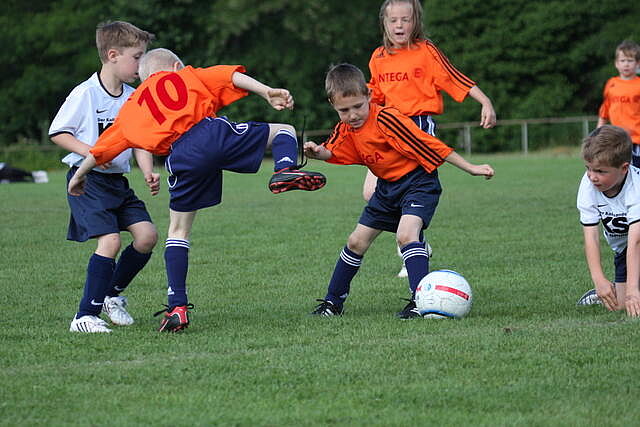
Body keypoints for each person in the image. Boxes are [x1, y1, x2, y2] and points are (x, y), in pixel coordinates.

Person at [67, 48, 326, 332]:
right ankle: (284, 169)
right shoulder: (185, 75)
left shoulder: (133, 106)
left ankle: (177, 306)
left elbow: (102, 148)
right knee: (284, 131)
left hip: (181, 158)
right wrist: (266, 92)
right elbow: (230, 76)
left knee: (178, 232)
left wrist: (78, 175)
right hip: (210, 133)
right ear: (176, 66)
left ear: (144, 79)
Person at [304, 63, 494, 318]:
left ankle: (419, 301)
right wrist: (316, 152)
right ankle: (332, 303)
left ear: (369, 95)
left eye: (358, 106)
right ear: (333, 105)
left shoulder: (387, 119)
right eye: (344, 110)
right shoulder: (346, 128)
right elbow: (333, 150)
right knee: (356, 241)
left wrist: (471, 168)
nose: (353, 115)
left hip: (418, 183)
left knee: (406, 235)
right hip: (387, 189)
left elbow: (431, 144)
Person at [365, 0, 497, 278]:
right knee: (370, 193)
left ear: (415, 21)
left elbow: (455, 77)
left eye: (405, 19)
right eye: (393, 20)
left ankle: (410, 246)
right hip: (387, 129)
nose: (399, 25)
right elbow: (374, 96)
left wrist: (485, 102)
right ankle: (416, 244)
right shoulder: (378, 57)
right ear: (384, 23)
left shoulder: (426, 51)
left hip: (418, 127)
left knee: (407, 189)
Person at [49, 21, 158, 334]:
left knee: (147, 236)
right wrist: (94, 152)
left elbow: (139, 141)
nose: (141, 64)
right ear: (113, 55)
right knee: (110, 241)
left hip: (117, 183)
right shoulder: (85, 93)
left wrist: (147, 170)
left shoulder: (134, 97)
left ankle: (111, 295)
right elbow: (58, 132)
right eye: (136, 57)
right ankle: (84, 316)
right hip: (88, 182)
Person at [575, 125, 640, 317]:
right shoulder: (588, 185)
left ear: (624, 168)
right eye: (588, 168)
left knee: (634, 298)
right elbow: (591, 237)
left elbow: (636, 241)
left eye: (600, 171)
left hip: (636, 243)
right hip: (623, 250)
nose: (592, 176)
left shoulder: (636, 187)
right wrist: (599, 280)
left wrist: (633, 290)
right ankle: (601, 293)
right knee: (621, 305)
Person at [597, 40, 640, 167]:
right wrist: (598, 135)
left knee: (636, 171)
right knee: (619, 172)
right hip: (617, 140)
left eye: (630, 60)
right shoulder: (611, 84)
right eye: (622, 60)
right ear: (616, 63)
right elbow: (604, 111)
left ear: (637, 63)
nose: (626, 64)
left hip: (637, 139)